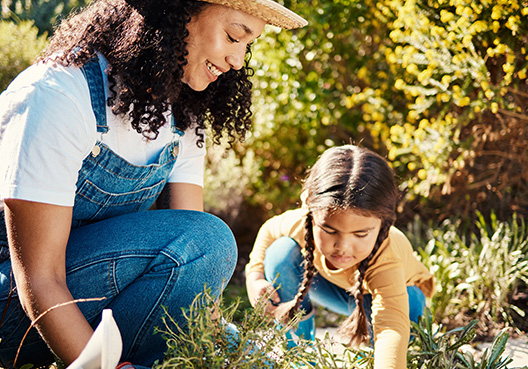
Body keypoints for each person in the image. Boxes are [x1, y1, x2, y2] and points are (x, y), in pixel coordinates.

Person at [0, 0, 307, 367]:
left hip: (86, 303)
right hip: (16, 305)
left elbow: (198, 269)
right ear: (179, 13)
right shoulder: (58, 95)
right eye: (233, 36)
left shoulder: (183, 113)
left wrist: (229, 352)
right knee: (210, 237)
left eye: (247, 45)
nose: (238, 60)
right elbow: (39, 277)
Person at [245, 145, 435, 369]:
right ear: (310, 207)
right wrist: (255, 277)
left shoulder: (387, 253)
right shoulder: (300, 222)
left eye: (361, 234)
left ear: (383, 223)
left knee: (412, 299)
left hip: (386, 301)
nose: (342, 247)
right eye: (329, 230)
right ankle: (298, 352)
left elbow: (392, 325)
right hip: (335, 289)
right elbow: (269, 230)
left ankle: (371, 355)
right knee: (281, 252)